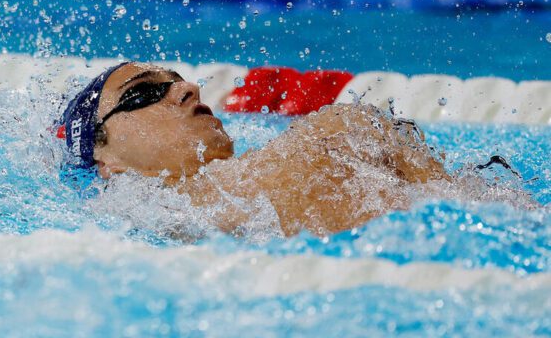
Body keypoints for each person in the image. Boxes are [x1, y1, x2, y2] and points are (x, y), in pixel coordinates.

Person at [59, 62, 456, 237]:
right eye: (145, 92)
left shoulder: (330, 135)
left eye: (178, 80)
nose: (187, 88)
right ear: (105, 158)